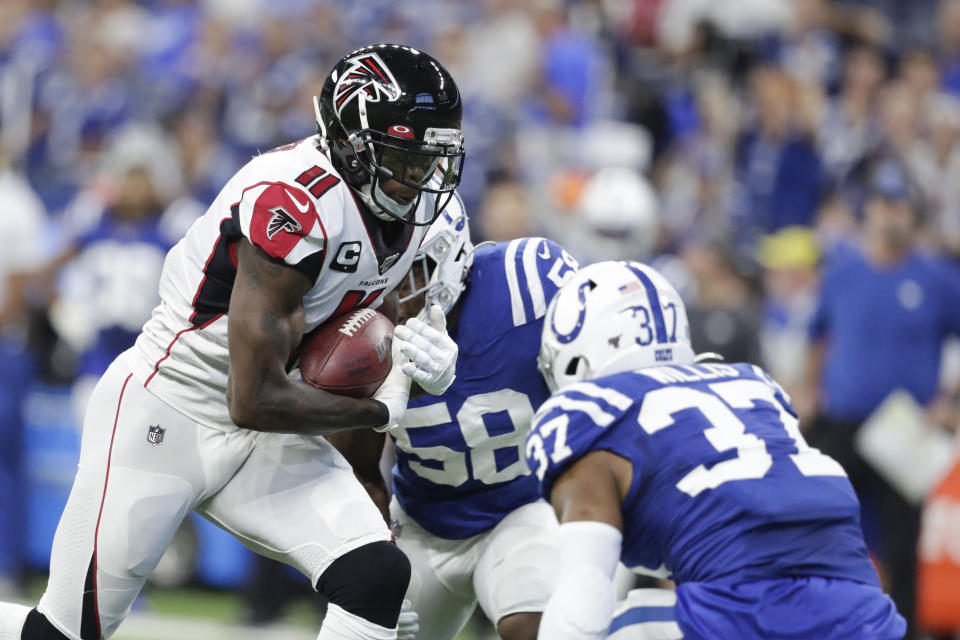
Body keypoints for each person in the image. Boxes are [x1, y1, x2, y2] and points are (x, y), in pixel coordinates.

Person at [0, 43, 464, 640]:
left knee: (376, 575)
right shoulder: (294, 201)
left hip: (269, 430)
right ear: (352, 141)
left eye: (432, 160)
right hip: (169, 411)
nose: (420, 178)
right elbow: (253, 396)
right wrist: (382, 411)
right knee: (63, 634)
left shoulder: (420, 220)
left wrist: (371, 468)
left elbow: (340, 365)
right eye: (405, 157)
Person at [525, 260, 906, 639]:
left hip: (743, 615)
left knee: (601, 624)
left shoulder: (588, 416)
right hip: (861, 613)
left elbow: (583, 602)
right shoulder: (755, 387)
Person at [342, 203, 579, 640]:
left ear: (449, 260)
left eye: (407, 271)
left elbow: (596, 391)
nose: (389, 292)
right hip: (420, 522)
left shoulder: (527, 287)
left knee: (540, 626)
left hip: (522, 509)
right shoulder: (356, 332)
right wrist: (375, 564)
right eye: (381, 271)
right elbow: (357, 468)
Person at [803, 158, 960, 637]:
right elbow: (818, 336)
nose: (890, 215)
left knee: (901, 543)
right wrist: (810, 389)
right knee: (820, 530)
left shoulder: (937, 280)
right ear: (867, 210)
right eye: (882, 204)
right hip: (842, 420)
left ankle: (905, 631)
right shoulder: (841, 272)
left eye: (899, 205)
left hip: (905, 428)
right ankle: (815, 623)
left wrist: (949, 404)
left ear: (912, 214)